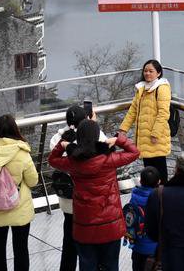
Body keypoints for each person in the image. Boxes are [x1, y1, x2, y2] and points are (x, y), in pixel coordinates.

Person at [49, 119, 140, 271]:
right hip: (110, 224)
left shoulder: (72, 162)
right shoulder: (109, 159)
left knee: (87, 265)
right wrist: (118, 139)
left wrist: (63, 143)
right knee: (111, 265)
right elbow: (134, 152)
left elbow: (52, 160)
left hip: (84, 225)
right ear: (98, 135)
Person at [48, 107, 110, 271]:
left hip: (67, 200)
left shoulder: (58, 138)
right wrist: (94, 125)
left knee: (68, 239)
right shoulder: (97, 136)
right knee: (90, 242)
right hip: (89, 201)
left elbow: (55, 160)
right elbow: (103, 153)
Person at [0, 115, 39, 271]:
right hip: (19, 206)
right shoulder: (22, 152)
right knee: (21, 248)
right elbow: (33, 181)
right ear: (15, 130)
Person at [118, 59, 171, 180]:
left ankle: (162, 196)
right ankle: (152, 195)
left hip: (156, 137)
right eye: (145, 71)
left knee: (160, 171)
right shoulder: (141, 89)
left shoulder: (162, 88)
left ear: (158, 73)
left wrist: (155, 133)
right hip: (143, 138)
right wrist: (123, 129)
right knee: (149, 172)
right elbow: (133, 110)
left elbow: (164, 113)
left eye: (151, 71)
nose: (147, 73)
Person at [124, 166, 160, 271]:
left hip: (137, 246)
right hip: (154, 249)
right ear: (159, 182)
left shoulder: (134, 197)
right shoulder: (159, 198)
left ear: (140, 181)